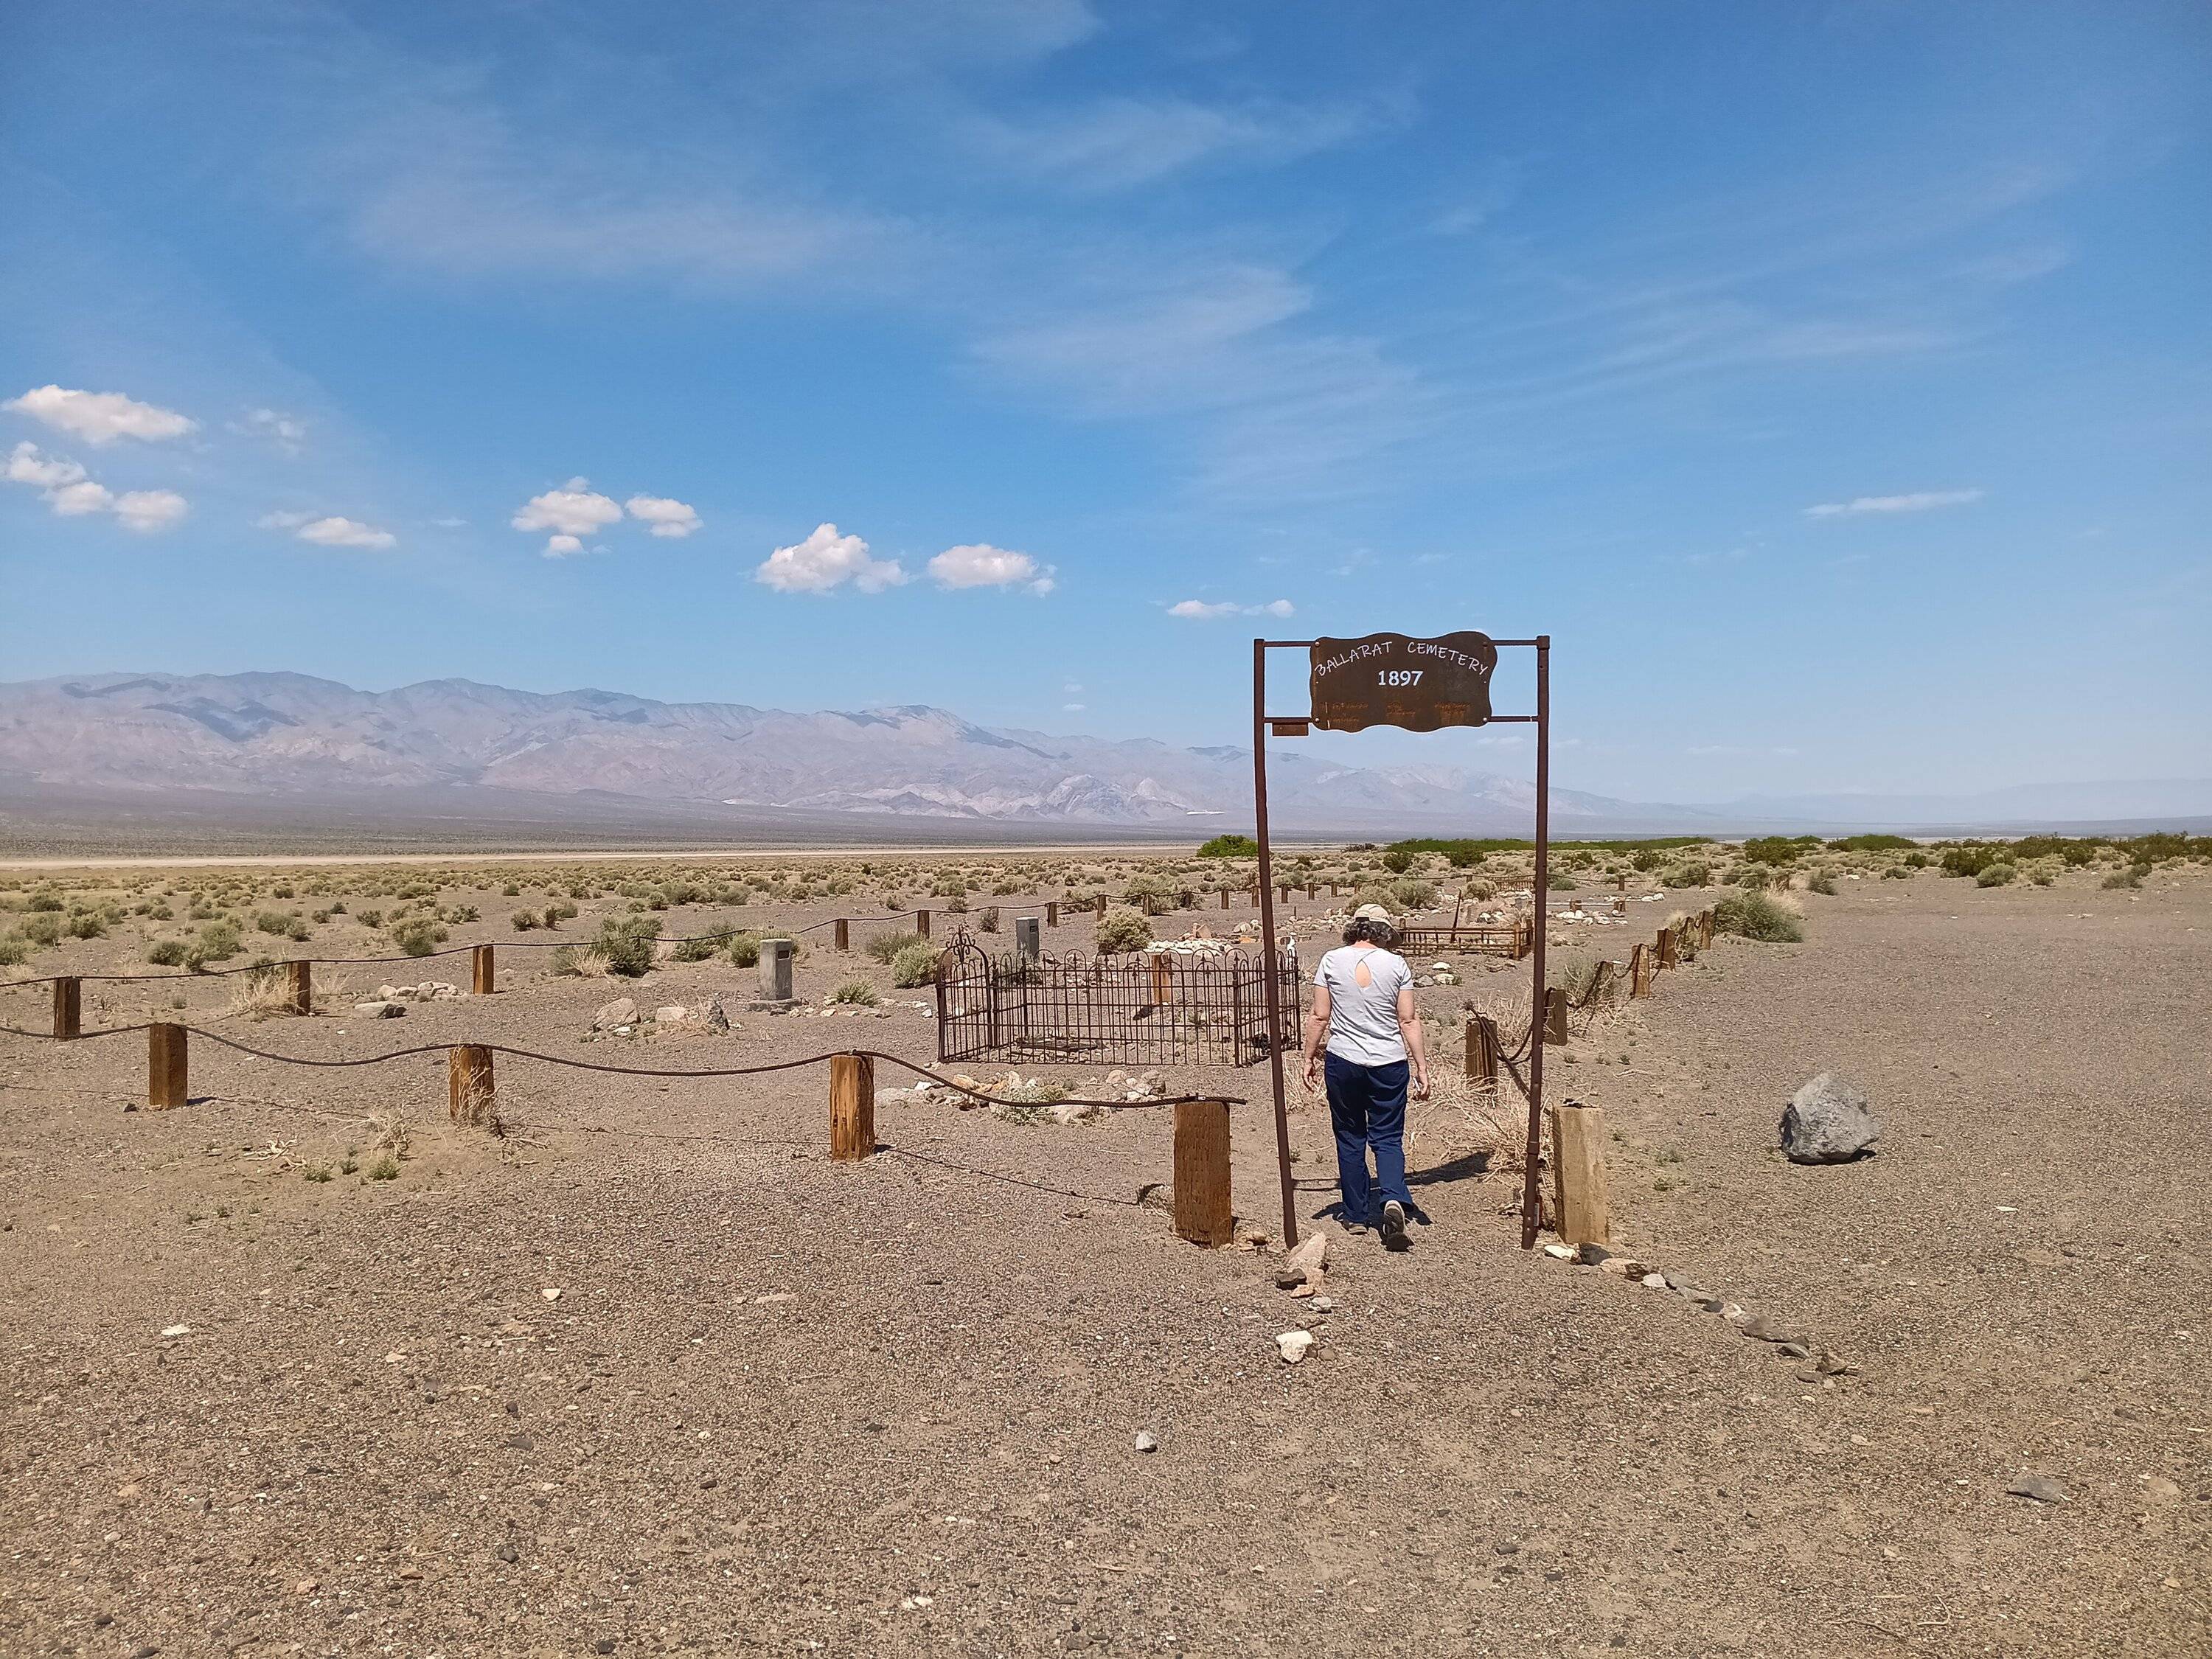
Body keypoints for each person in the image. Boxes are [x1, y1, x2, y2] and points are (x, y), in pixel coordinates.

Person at [1301, 902, 1429, 1250]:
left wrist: (1309, 1056)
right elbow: (1408, 1019)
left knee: (1350, 1135)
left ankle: (1356, 1214)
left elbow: (1319, 1016)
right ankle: (1392, 1197)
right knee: (1388, 1136)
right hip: (1389, 1061)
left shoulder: (1331, 960)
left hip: (1345, 1059)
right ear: (1384, 931)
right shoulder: (1396, 964)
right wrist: (1421, 1066)